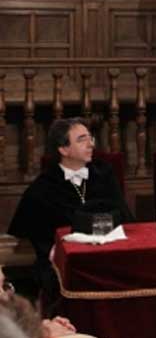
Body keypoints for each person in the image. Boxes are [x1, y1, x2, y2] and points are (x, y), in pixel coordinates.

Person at [7, 118, 132, 303]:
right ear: (63, 150)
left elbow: (122, 213)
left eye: (90, 138)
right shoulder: (42, 188)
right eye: (82, 139)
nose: (91, 144)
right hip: (69, 266)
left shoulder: (104, 173)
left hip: (109, 256)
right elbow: (41, 239)